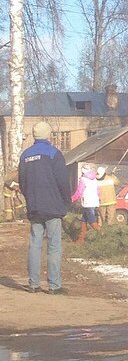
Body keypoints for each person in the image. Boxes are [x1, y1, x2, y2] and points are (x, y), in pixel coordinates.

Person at [18, 121, 71, 294]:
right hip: (53, 207)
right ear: (49, 135)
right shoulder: (54, 153)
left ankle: (33, 284)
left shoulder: (25, 155)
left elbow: (23, 183)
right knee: (54, 246)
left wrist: (30, 199)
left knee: (35, 245)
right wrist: (66, 202)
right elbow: (63, 181)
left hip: (34, 207)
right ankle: (54, 286)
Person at [71, 164, 100, 242]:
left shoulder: (83, 179)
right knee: (84, 220)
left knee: (92, 221)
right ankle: (81, 239)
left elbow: (79, 191)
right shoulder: (94, 179)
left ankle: (103, 235)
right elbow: (98, 191)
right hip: (94, 202)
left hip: (87, 203)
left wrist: (72, 199)